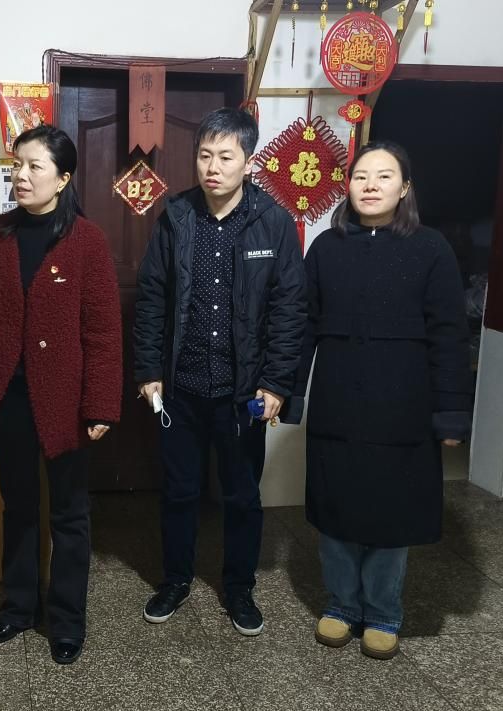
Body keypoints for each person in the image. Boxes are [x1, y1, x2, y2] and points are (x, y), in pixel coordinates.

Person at [0, 124, 122, 665]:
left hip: (66, 402)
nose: (21, 176)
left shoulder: (87, 241)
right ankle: (18, 608)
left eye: (34, 166)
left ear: (62, 178)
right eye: (17, 165)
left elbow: (103, 333)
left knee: (69, 514)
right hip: (7, 398)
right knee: (18, 506)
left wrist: (101, 405)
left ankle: (67, 620)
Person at [290, 140, 472, 660]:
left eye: (384, 176)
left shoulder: (431, 249)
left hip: (403, 407)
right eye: (361, 176)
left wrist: (450, 414)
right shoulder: (326, 248)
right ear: (348, 187)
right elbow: (303, 327)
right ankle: (341, 605)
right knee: (336, 510)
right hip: (338, 403)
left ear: (405, 187)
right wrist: (291, 393)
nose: (370, 185)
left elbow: (449, 336)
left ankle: (383, 611)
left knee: (392, 516)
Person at [133, 107, 307, 636]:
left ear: (249, 162)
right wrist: (148, 369)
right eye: (205, 155)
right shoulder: (176, 216)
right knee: (179, 491)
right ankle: (175, 580)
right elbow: (151, 297)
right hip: (181, 387)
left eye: (226, 157)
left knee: (242, 496)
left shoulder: (273, 222)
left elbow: (289, 308)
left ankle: (239, 588)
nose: (213, 167)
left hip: (243, 391)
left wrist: (276, 383)